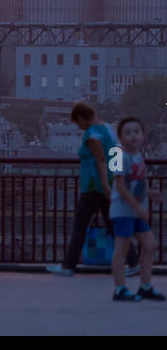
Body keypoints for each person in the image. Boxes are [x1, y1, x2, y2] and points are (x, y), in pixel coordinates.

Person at [48, 102, 119, 276]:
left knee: (80, 226)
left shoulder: (93, 134)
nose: (79, 127)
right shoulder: (106, 129)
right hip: (103, 185)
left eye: (77, 123)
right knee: (112, 225)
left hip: (93, 186)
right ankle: (133, 260)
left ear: (81, 118)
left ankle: (68, 266)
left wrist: (103, 183)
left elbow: (100, 159)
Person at [108, 116, 163, 302]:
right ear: (121, 138)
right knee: (122, 247)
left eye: (136, 131)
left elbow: (136, 185)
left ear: (143, 135)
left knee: (149, 245)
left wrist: (150, 193)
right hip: (123, 209)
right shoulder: (120, 157)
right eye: (128, 132)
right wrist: (138, 207)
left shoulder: (139, 157)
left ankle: (145, 286)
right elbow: (121, 187)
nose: (133, 136)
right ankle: (119, 288)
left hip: (136, 208)